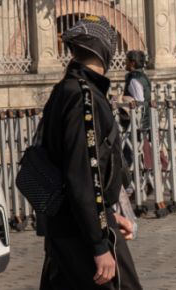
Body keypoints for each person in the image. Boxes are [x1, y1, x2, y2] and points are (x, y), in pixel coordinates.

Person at [40, 16, 142, 290]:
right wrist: (99, 243)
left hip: (69, 225)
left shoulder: (68, 89)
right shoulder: (83, 96)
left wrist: (110, 216)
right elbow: (82, 173)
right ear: (104, 50)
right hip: (80, 232)